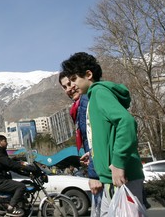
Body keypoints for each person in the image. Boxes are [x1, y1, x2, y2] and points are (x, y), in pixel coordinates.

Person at [60, 52, 145, 216]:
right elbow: (106, 134)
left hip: (121, 176)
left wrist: (118, 163)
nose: (72, 84)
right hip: (109, 177)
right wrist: (94, 153)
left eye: (74, 79)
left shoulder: (99, 92)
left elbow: (126, 122)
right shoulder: (93, 96)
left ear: (88, 75)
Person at [59, 71, 103, 216]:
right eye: (65, 86)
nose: (69, 89)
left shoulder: (86, 101)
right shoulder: (78, 106)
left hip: (103, 173)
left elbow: (96, 137)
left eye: (71, 82)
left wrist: (94, 174)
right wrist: (90, 154)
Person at [0, 135, 33, 216]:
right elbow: (9, 163)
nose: (7, 143)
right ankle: (11, 208)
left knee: (22, 183)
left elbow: (9, 166)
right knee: (21, 186)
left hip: (1, 179)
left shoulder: (1, 151)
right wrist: (22, 165)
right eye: (5, 141)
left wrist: (26, 173)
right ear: (0, 142)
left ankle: (16, 205)